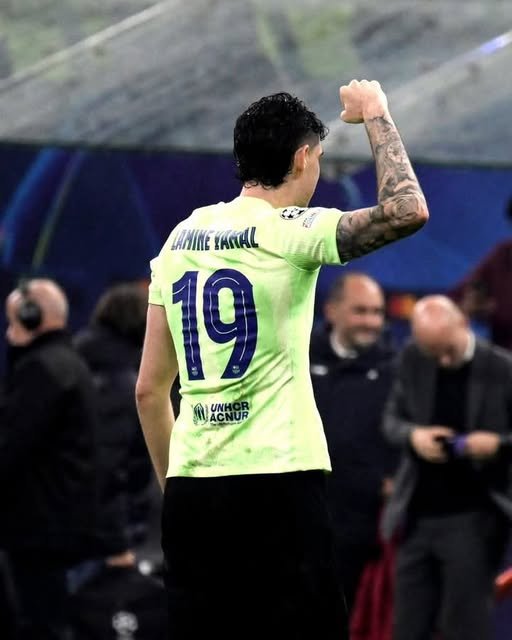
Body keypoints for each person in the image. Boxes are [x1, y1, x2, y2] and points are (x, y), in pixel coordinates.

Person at [135, 79, 429, 640]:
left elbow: (150, 390)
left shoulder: (179, 239)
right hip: (276, 483)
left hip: (194, 489)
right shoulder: (291, 230)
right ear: (302, 158)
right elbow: (406, 211)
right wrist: (376, 112)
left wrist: (182, 492)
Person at [381, 295, 512, 640]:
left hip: (475, 519)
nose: (442, 360)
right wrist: (414, 436)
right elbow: (391, 422)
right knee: (406, 627)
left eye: (448, 350)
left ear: (464, 324)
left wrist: (497, 444)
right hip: (416, 517)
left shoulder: (502, 368)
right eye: (432, 352)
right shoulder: (413, 358)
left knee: (464, 627)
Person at [0, 279, 102, 639]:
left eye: (13, 321)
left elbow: (10, 445)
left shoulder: (41, 369)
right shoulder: (71, 363)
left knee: (38, 623)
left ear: (31, 316)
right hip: (59, 523)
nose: (9, 333)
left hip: (37, 527)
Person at [310, 272, 398, 615]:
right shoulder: (297, 359)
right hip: (304, 515)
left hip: (366, 524)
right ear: (331, 311)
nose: (371, 322)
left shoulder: (395, 368)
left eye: (377, 312)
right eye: (360, 311)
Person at [74, 282, 154, 554]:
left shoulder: (73, 360)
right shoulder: (122, 381)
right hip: (103, 532)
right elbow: (113, 461)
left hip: (59, 520)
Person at [450, 197, 512, 350]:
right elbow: (457, 297)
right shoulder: (502, 255)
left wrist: (496, 310)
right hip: (504, 356)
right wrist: (472, 307)